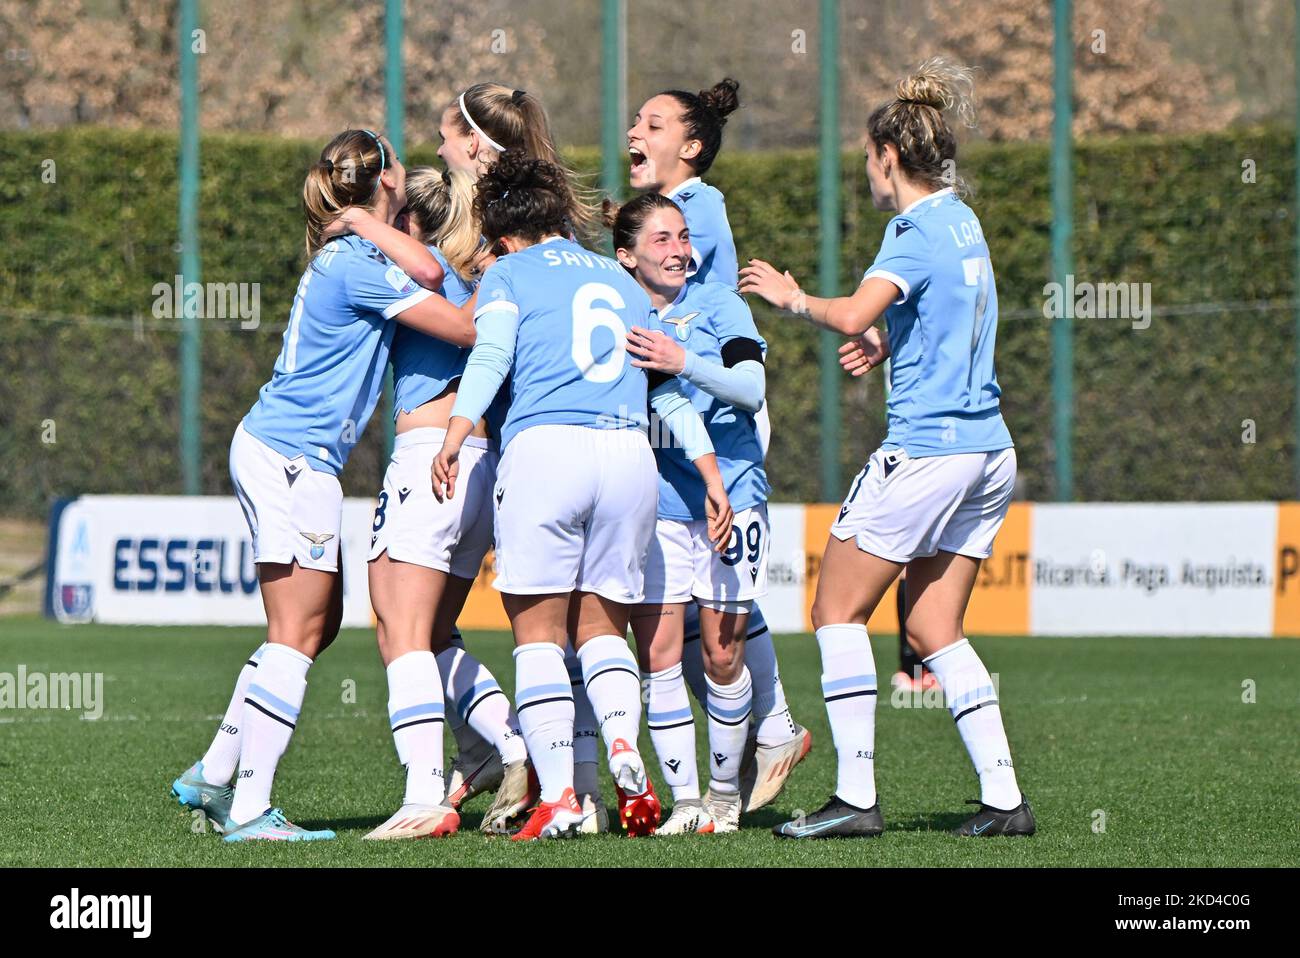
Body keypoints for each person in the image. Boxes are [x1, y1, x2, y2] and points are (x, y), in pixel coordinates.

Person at [740, 59, 1035, 839]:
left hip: (929, 449)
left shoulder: (909, 230)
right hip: (988, 452)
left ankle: (855, 797)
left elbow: (846, 313)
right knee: (936, 631)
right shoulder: (962, 219)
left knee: (835, 610)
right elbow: (944, 318)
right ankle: (1005, 800)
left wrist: (795, 297)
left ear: (888, 158)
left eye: (868, 159)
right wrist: (889, 339)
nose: (866, 173)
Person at [171, 129, 475, 842]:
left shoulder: (357, 251)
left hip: (290, 453)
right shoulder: (357, 263)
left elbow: (422, 271)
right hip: (291, 456)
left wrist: (371, 222)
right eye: (397, 164)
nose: (407, 170)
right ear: (384, 184)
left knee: (318, 623)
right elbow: (456, 318)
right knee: (296, 631)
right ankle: (248, 809)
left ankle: (214, 774)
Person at [432, 152, 732, 840]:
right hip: (629, 459)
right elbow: (667, 387)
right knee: (601, 629)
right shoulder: (618, 278)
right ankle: (626, 748)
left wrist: (454, 434)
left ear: (504, 233)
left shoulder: (509, 271)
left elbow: (491, 355)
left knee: (537, 636)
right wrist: (711, 475)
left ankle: (564, 795)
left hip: (547, 451)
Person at [627, 78, 810, 811]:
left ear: (691, 147)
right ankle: (771, 730)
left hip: (720, 428)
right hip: (684, 423)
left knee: (718, 624)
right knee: (700, 626)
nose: (635, 131)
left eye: (653, 124)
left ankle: (759, 743)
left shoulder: (694, 207)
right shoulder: (683, 210)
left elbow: (638, 259)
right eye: (636, 120)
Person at [436, 83, 612, 832]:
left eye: (448, 136)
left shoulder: (496, 240)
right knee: (580, 628)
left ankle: (543, 777)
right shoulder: (553, 226)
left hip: (515, 445)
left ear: (477, 146)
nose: (439, 149)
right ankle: (579, 782)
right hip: (585, 446)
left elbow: (479, 335)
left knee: (538, 628)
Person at [361, 166, 538, 839]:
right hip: (481, 464)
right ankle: (509, 745)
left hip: (431, 458)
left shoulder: (426, 268)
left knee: (397, 630)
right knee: (430, 634)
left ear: (411, 223)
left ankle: (424, 792)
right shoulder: (482, 272)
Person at [609, 192, 769, 834]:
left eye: (683, 237)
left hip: (734, 490)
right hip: (660, 503)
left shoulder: (721, 304)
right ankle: (686, 802)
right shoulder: (615, 313)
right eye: (661, 241)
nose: (680, 251)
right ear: (626, 257)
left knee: (723, 655)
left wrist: (685, 363)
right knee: (661, 654)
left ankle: (727, 795)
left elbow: (752, 390)